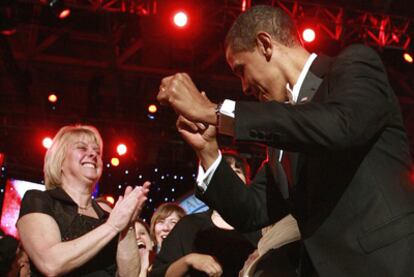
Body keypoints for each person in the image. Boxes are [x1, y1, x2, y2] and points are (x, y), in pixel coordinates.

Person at [157, 5, 414, 277]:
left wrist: (215, 112)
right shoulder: (282, 135)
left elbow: (341, 126)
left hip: (388, 264)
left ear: (265, 44)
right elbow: (252, 211)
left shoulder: (353, 66)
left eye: (241, 69)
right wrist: (207, 151)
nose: (244, 86)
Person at [16, 124, 150, 276]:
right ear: (60, 159)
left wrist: (128, 225)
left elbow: (129, 275)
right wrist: (113, 226)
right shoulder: (39, 200)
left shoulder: (108, 214)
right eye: (82, 148)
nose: (93, 154)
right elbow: (50, 264)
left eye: (97, 151)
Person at [150, 150, 262, 277]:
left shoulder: (260, 230)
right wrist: (189, 260)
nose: (231, 176)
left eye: (237, 171)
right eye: (225, 171)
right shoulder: (188, 226)